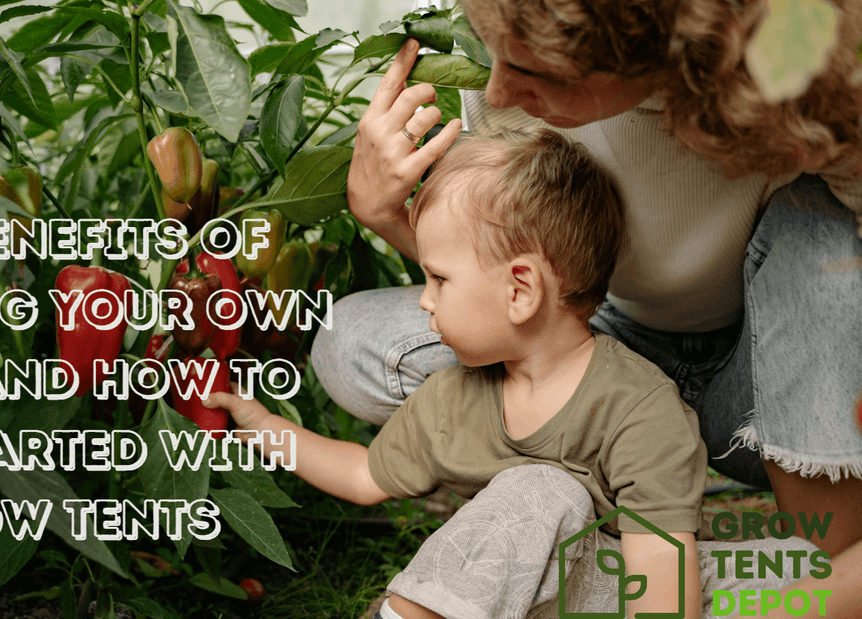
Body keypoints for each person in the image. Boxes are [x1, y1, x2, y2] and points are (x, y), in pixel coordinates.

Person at [313, 0, 862, 557]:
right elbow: (501, 273)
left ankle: (824, 553)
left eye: (537, 72)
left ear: (652, 49)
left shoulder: (811, 85)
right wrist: (382, 211)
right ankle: (574, 512)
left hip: (765, 393)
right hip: (600, 357)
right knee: (356, 343)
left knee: (824, 232)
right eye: (498, 56)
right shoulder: (516, 78)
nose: (497, 91)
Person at [205, 132, 815, 619]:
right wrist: (260, 425)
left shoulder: (637, 405)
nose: (423, 300)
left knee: (790, 572)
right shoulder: (452, 397)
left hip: (641, 587)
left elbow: (660, 564)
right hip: (522, 592)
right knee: (541, 491)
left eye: (438, 278)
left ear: (521, 291)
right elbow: (364, 475)